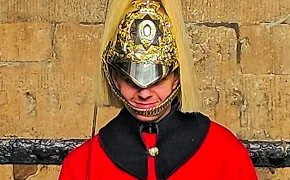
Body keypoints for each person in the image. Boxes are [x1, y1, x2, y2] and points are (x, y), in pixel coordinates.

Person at [59, 0, 258, 179]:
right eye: (131, 81)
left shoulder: (226, 153)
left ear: (177, 77)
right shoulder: (80, 164)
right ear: (114, 78)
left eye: (157, 81)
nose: (144, 93)